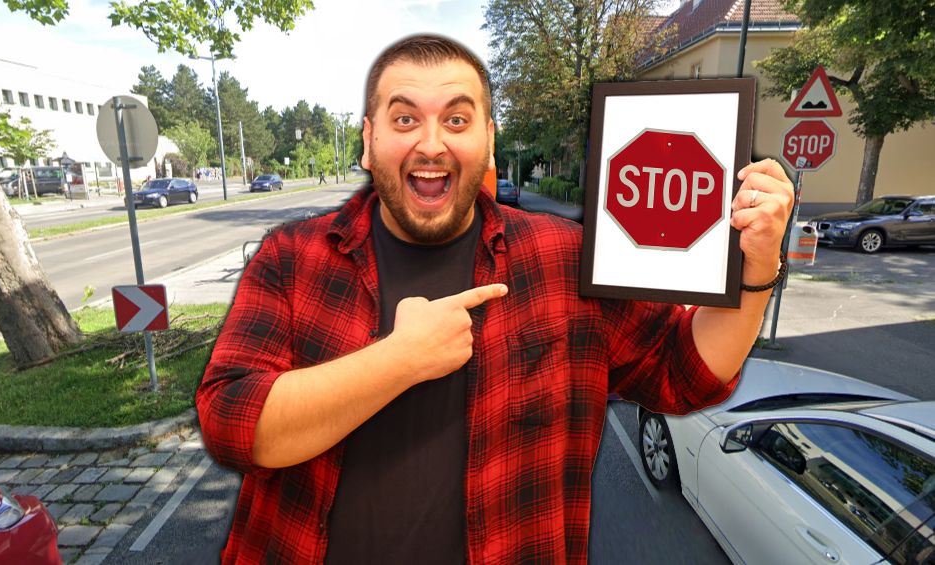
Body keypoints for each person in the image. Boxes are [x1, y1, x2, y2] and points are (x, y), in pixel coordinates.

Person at [197, 34, 793, 564]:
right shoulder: (293, 257)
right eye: (405, 120)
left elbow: (684, 372)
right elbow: (233, 425)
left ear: (488, 141)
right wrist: (399, 360)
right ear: (368, 140)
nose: (431, 144)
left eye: (457, 120)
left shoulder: (568, 259)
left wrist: (757, 267)